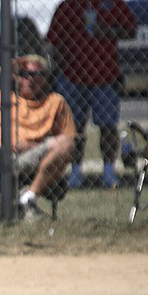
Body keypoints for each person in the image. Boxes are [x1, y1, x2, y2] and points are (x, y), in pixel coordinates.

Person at [0, 55, 77, 221]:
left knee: (66, 143)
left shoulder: (55, 102)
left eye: (36, 74)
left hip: (30, 160)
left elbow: (70, 141)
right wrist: (4, 69)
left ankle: (27, 201)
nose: (29, 79)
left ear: (46, 78)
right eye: (24, 73)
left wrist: (29, 146)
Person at [47, 0, 136, 188]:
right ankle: (75, 172)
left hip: (105, 76)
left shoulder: (112, 3)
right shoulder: (67, 6)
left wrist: (109, 31)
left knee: (108, 126)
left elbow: (131, 30)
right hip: (72, 78)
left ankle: (109, 171)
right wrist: (61, 68)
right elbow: (54, 42)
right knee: (74, 128)